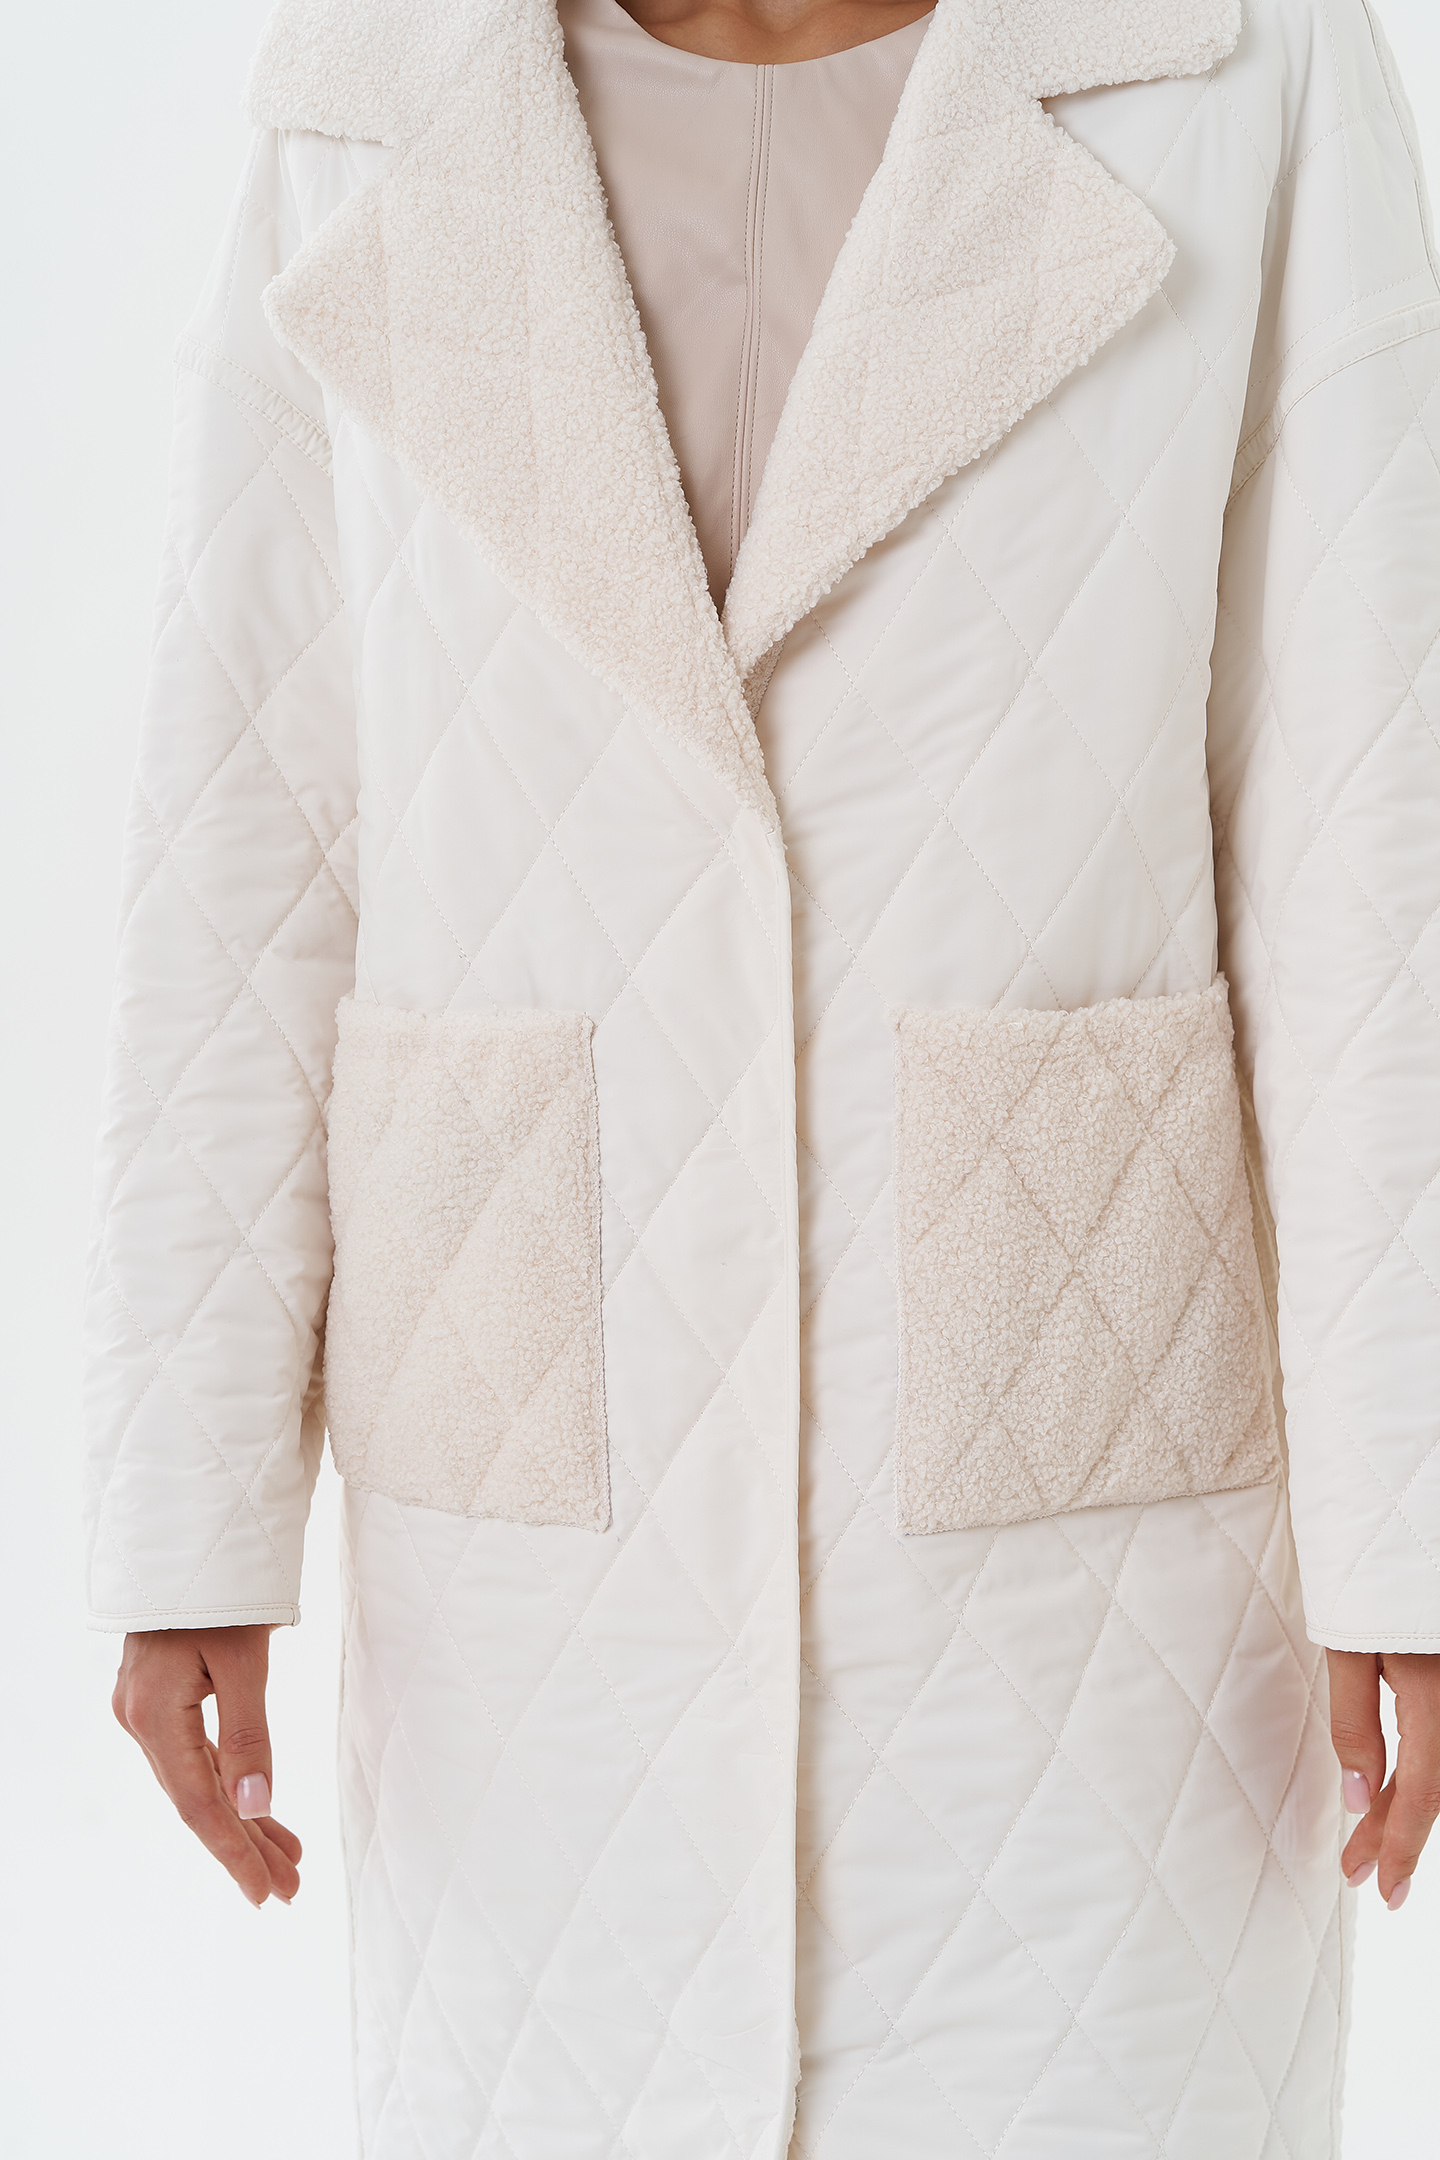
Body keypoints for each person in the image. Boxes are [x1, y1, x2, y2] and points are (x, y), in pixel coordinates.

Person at [88, 0, 1440, 2152]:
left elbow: (1372, 815)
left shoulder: (1239, 56)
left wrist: (1411, 1524)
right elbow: (252, 821)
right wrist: (189, 1515)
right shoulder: (368, 78)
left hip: (1081, 1576)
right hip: (534, 1576)